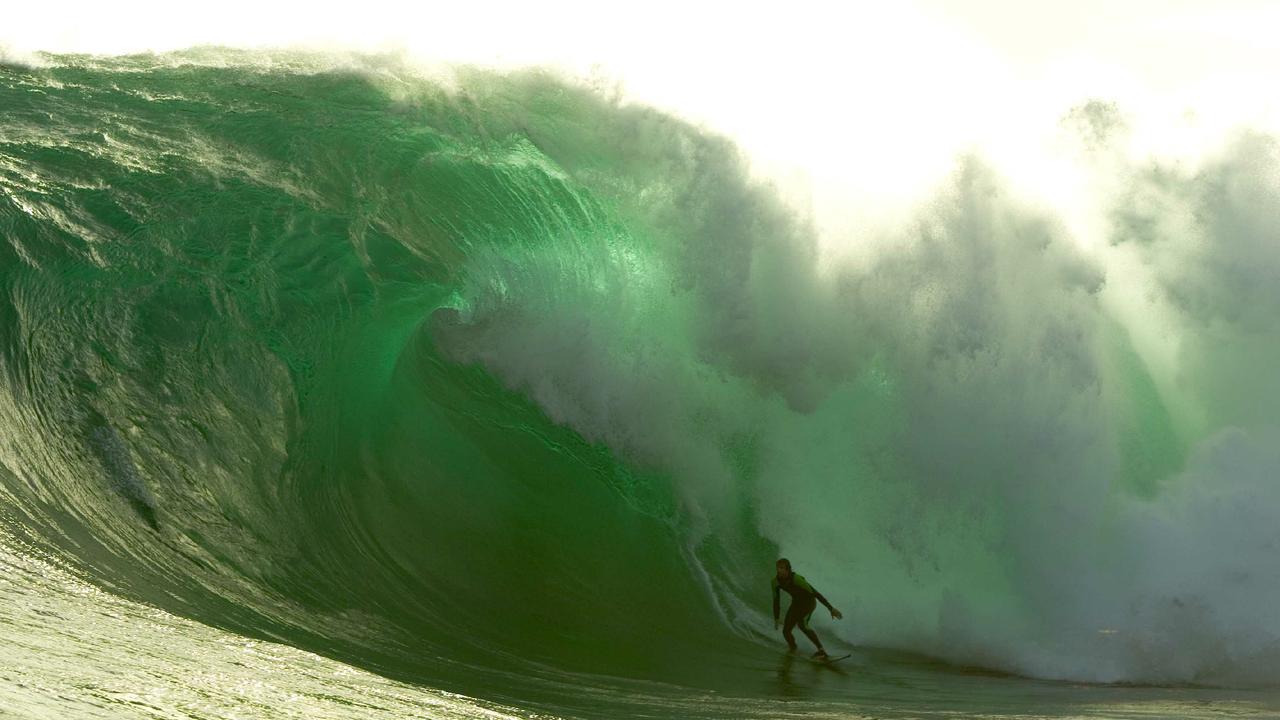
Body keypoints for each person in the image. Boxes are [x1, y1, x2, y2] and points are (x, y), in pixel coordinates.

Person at [772, 557, 842, 659]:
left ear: (788, 569)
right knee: (786, 631)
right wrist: (776, 618)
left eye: (782, 568)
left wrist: (830, 608)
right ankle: (793, 649)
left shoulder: (796, 579)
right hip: (796, 603)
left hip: (808, 602)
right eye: (778, 568)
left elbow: (815, 593)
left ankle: (821, 651)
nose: (779, 570)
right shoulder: (775, 582)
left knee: (802, 625)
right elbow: (776, 601)